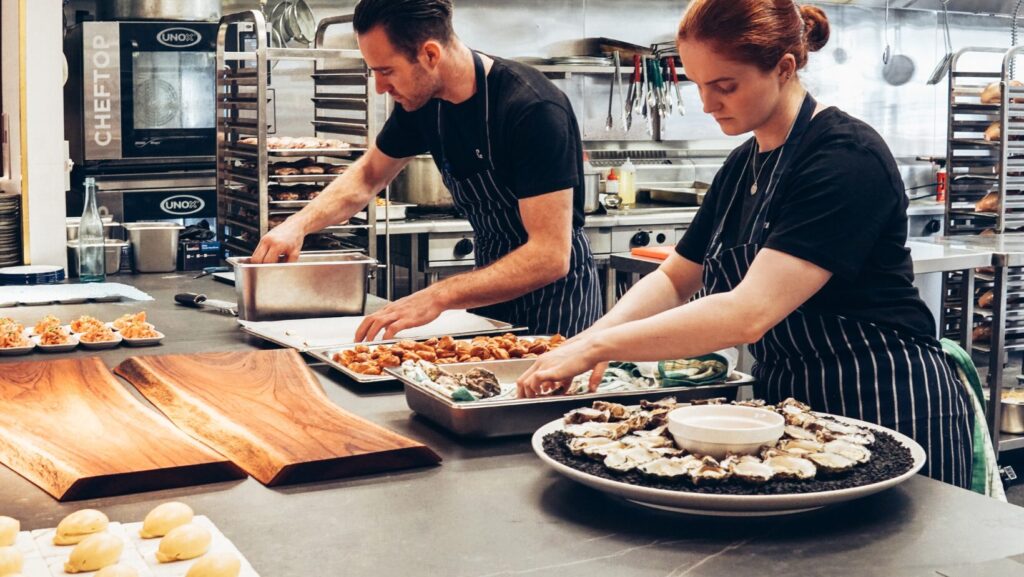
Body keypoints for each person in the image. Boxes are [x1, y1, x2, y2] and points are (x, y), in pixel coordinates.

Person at [518, 0, 974, 488]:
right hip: (794, 410)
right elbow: (676, 277)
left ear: (784, 68)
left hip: (887, 399)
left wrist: (602, 346)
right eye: (698, 85)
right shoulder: (742, 165)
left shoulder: (845, 157)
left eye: (725, 86)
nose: (709, 104)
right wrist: (588, 340)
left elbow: (748, 312)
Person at [251, 0, 602, 341]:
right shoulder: (423, 104)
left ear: (430, 55)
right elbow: (368, 176)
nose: (379, 87)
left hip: (557, 309)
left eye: (386, 71)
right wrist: (297, 225)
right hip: (489, 300)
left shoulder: (531, 109)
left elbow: (549, 257)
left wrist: (436, 296)